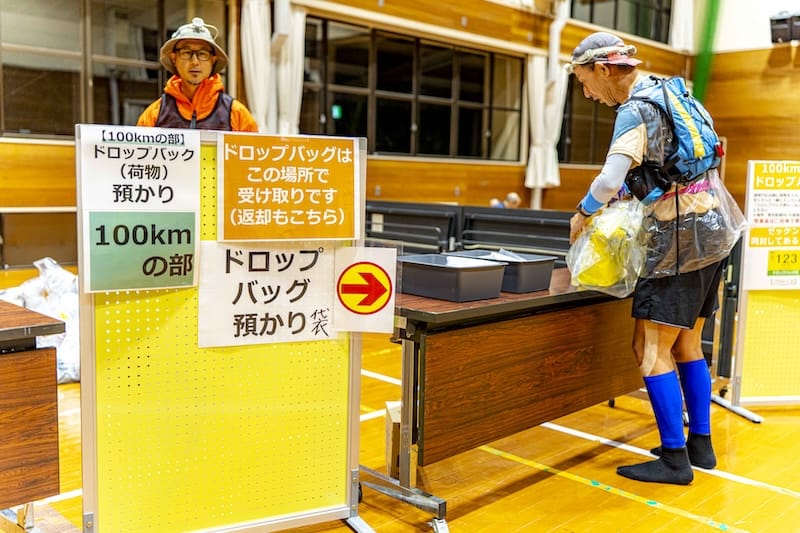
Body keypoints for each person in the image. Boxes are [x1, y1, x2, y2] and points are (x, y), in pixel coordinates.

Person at [567, 32, 732, 485]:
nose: (587, 94)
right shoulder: (675, 92)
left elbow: (607, 181)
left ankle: (675, 461)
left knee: (649, 348)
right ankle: (700, 446)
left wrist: (583, 212)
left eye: (584, 82)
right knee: (688, 343)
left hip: (678, 237)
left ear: (603, 69)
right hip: (715, 227)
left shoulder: (635, 110)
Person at [137, 17, 258, 132]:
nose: (194, 62)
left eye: (203, 54)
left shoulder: (238, 115)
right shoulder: (154, 115)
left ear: (213, 60)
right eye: (186, 52)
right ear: (174, 58)